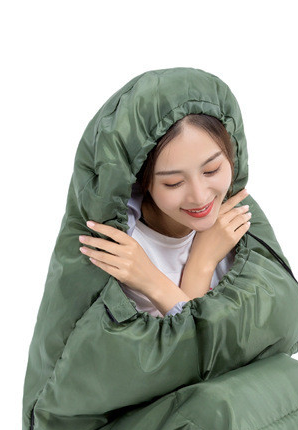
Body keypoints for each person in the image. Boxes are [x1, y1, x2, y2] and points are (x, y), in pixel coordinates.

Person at [77, 114, 253, 318]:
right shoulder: (129, 254)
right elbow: (194, 337)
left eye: (211, 171)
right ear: (144, 182)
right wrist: (198, 265)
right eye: (174, 183)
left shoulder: (234, 218)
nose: (200, 197)